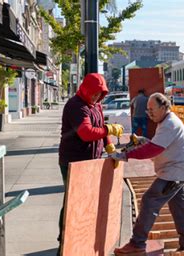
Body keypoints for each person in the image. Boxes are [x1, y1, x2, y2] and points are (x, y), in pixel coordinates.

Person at [112, 92, 184, 255]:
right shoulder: (165, 121)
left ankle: (137, 243)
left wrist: (125, 155)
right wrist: (145, 142)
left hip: (173, 173)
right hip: (179, 172)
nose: (149, 113)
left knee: (149, 201)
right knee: (180, 209)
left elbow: (154, 150)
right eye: (147, 110)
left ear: (164, 107)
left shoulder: (169, 123)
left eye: (152, 109)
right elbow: (157, 145)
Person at [57, 73, 124, 254]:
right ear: (86, 89)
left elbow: (101, 127)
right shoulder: (76, 106)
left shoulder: (95, 105)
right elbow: (86, 133)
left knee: (86, 201)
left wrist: (110, 148)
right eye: (94, 93)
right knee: (72, 202)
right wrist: (108, 129)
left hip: (90, 161)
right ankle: (64, 239)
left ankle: (81, 237)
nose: (96, 97)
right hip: (73, 161)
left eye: (99, 94)